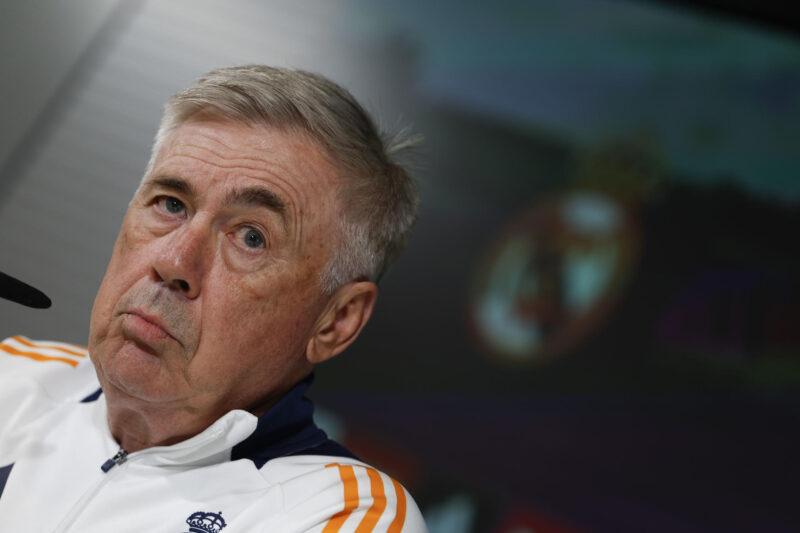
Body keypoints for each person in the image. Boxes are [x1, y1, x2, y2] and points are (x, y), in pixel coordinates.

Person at [0, 65, 427, 532]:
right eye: (171, 204)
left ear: (336, 321)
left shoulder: (343, 511)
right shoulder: (14, 377)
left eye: (251, 237)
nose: (174, 263)